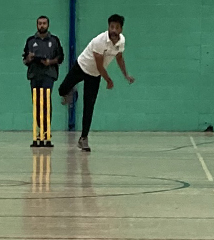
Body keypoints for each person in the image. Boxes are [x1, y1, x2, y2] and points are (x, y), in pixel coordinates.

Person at [57, 14, 134, 152]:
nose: (114, 30)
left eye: (117, 27)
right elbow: (99, 66)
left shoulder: (121, 41)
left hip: (95, 75)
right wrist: (109, 80)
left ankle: (83, 138)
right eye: (111, 27)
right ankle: (70, 92)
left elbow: (119, 58)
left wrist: (126, 75)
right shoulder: (100, 41)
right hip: (82, 66)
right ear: (108, 27)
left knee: (89, 106)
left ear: (121, 29)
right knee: (62, 89)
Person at [23, 15, 64, 148]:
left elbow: (60, 58)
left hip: (48, 75)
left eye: (44, 23)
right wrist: (29, 58)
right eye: (39, 23)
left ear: (48, 25)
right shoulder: (30, 40)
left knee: (46, 103)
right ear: (37, 25)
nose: (42, 26)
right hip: (35, 75)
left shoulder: (54, 40)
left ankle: (46, 133)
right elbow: (25, 60)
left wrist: (49, 62)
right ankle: (38, 133)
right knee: (36, 104)